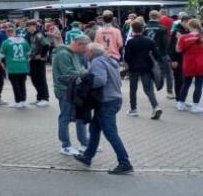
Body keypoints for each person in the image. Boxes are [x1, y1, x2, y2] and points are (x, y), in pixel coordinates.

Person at [74, 43, 134, 174]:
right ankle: (87, 156)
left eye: (86, 52)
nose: (85, 54)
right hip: (114, 98)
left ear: (92, 52)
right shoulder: (110, 60)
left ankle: (125, 163)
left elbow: (100, 81)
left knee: (110, 133)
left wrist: (84, 81)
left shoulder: (97, 62)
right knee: (94, 128)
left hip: (106, 101)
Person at [53, 35, 90, 155]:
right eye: (84, 48)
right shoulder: (64, 54)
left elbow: (78, 69)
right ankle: (65, 146)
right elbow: (67, 73)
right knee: (65, 117)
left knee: (80, 116)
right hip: (65, 90)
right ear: (79, 44)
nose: (85, 51)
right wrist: (86, 73)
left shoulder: (74, 53)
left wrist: (84, 72)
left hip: (75, 89)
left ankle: (84, 143)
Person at [124, 20, 162, 119]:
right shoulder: (149, 40)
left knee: (133, 89)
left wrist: (129, 63)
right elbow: (156, 54)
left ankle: (133, 109)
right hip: (146, 67)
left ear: (132, 30)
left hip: (133, 68)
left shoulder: (130, 42)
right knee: (148, 88)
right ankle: (155, 106)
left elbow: (126, 57)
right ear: (143, 29)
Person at [175, 18, 203, 112]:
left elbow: (178, 50)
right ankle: (195, 106)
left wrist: (179, 39)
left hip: (188, 63)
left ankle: (181, 104)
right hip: (200, 64)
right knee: (199, 84)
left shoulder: (184, 37)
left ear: (190, 26)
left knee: (186, 83)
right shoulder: (202, 37)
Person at [144, 10, 174, 98]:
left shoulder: (144, 27)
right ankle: (169, 92)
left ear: (149, 16)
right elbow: (165, 43)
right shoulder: (162, 28)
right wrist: (168, 53)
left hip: (148, 54)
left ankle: (150, 92)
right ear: (158, 17)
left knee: (149, 72)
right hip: (161, 53)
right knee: (168, 72)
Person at [0, 27, 30, 108]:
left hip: (12, 67)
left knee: (15, 85)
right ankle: (23, 101)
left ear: (7, 33)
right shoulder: (24, 41)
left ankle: (18, 101)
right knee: (22, 84)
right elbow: (28, 53)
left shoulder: (6, 42)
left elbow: (1, 55)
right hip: (23, 66)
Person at [26, 20, 51, 105]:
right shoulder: (32, 35)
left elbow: (46, 45)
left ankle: (45, 98)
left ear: (34, 26)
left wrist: (42, 56)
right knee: (34, 79)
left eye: (29, 26)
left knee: (41, 79)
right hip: (33, 60)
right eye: (28, 26)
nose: (28, 28)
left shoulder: (39, 35)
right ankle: (39, 97)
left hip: (39, 61)